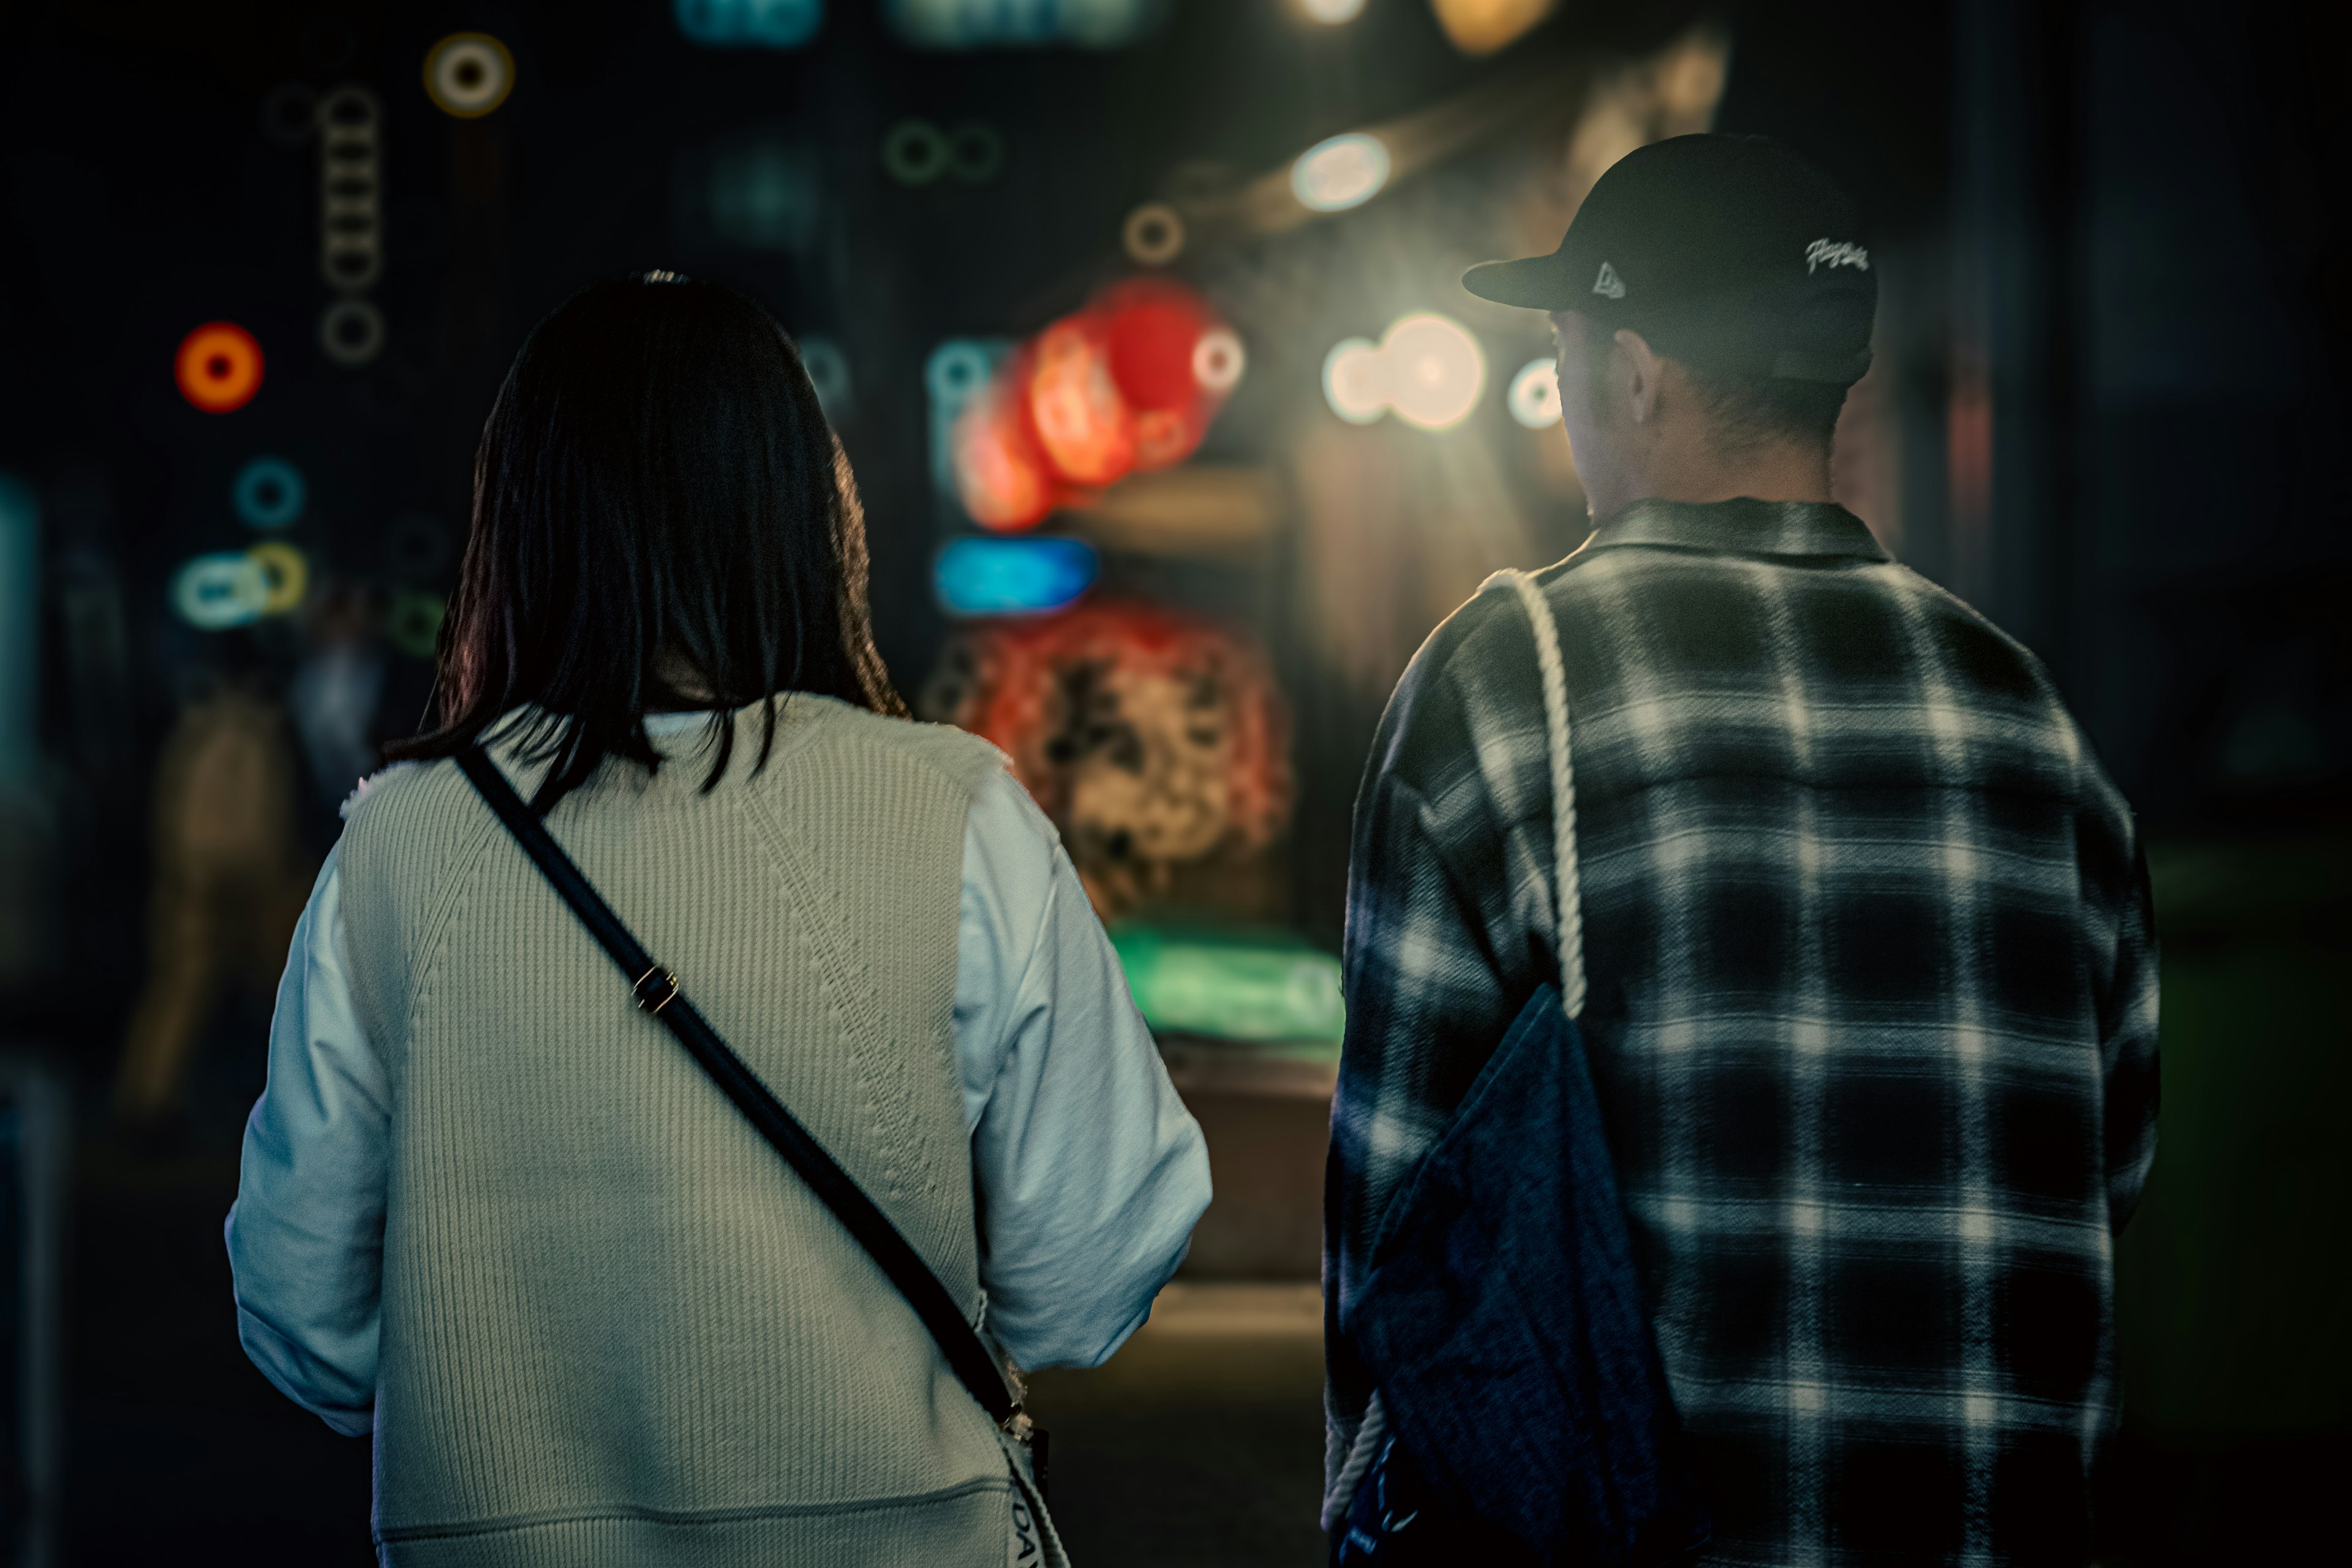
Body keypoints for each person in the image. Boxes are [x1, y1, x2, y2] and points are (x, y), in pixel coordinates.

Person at [227, 274, 1212, 1566]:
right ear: (807, 513)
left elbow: (300, 1306)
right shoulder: (955, 814)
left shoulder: (399, 847)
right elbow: (1094, 1257)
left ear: (523, 524)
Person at [1324, 135, 2159, 1562]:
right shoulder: (2031, 715)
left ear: (1634, 371)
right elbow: (2112, 1158)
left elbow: (1395, 1218)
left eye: (1568, 349)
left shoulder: (1507, 679)